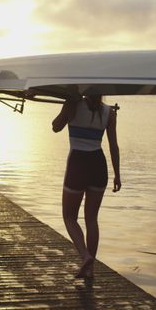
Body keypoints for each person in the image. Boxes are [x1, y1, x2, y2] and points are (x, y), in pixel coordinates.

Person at [52, 94, 121, 279]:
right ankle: (90, 270)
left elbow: (55, 127)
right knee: (91, 219)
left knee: (69, 216)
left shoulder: (73, 105)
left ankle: (85, 256)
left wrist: (67, 105)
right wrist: (117, 174)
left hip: (78, 164)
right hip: (98, 165)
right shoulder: (109, 112)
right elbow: (113, 145)